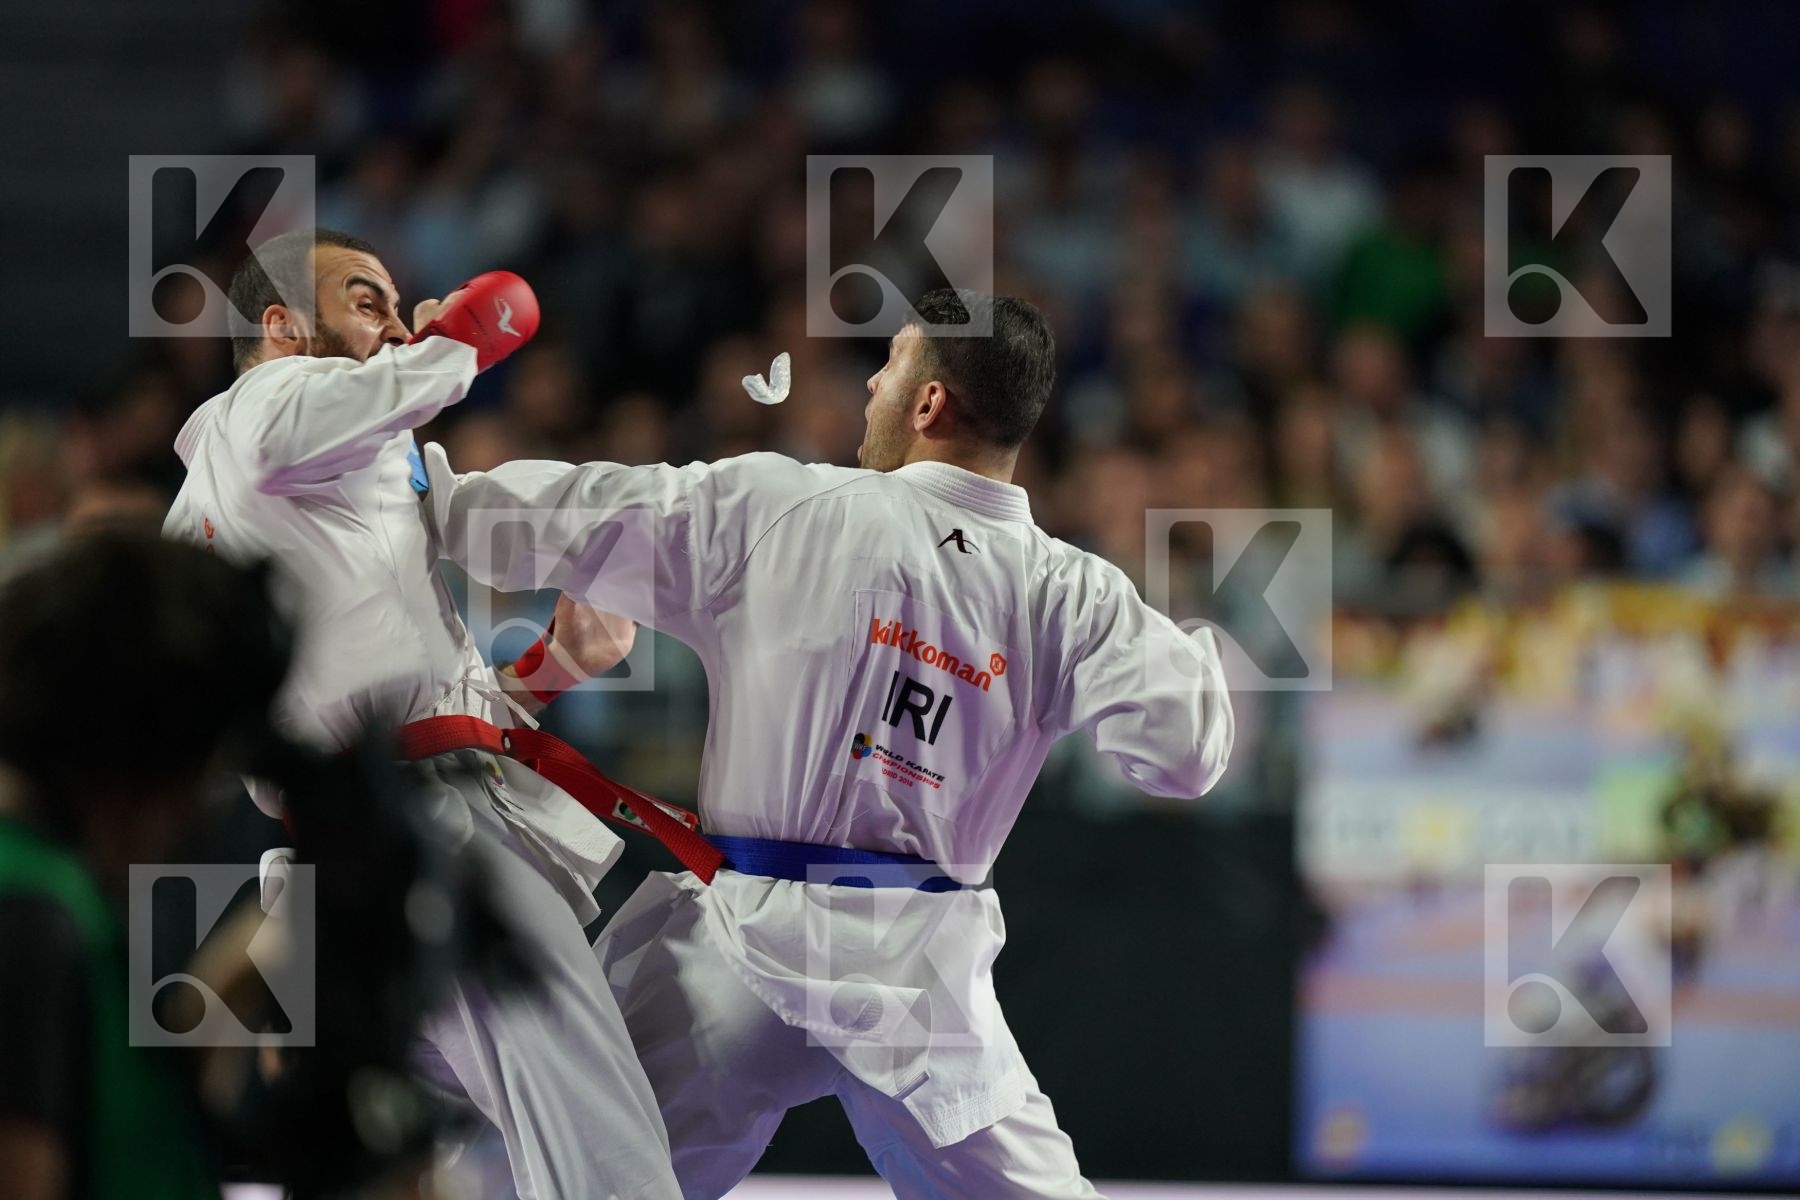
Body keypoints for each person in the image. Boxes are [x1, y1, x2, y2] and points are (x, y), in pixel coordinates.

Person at [424, 288, 1236, 1198]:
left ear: (929, 403)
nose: (872, 386)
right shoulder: (1072, 595)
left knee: (561, 1176)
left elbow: (549, 513)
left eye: (889, 365)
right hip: (922, 986)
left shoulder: (782, 505)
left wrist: (411, 470)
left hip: (741, 957)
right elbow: (1188, 755)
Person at [162, 228, 682, 1199]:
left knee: (434, 1160)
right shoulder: (261, 409)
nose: (400, 325)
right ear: (282, 325)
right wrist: (465, 339)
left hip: (356, 844)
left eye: (401, 309)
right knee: (592, 1119)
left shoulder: (297, 478)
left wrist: (547, 671)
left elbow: (385, 684)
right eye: (368, 302)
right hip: (422, 835)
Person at [0, 532, 284, 1200]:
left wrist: (237, 974)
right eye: (202, 773)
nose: (197, 818)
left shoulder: (53, 892)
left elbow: (115, 1127)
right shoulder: (30, 917)